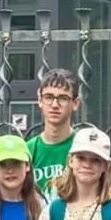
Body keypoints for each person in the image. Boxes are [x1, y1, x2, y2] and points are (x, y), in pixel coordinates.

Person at [28, 69, 82, 201]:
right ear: (40, 100)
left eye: (63, 98)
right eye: (49, 97)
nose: (54, 105)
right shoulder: (28, 149)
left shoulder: (82, 147)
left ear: (75, 103)